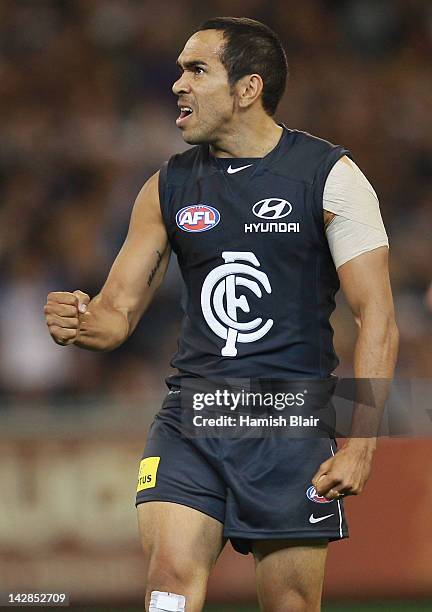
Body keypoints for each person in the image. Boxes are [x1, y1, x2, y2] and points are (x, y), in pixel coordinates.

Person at [44, 17, 399, 612]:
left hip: (291, 421)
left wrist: (360, 442)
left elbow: (378, 318)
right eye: (180, 69)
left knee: (289, 602)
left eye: (196, 70)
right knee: (169, 582)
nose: (177, 84)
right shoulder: (166, 187)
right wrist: (79, 320)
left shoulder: (331, 178)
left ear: (247, 88)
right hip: (193, 416)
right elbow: (115, 315)